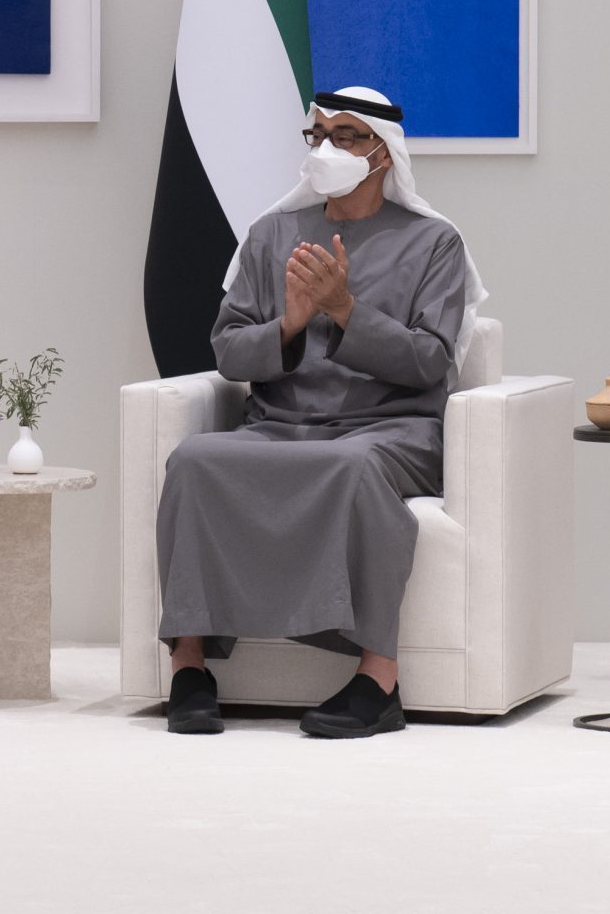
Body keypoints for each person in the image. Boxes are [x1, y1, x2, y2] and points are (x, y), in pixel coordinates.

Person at [155, 86, 488, 738]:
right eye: (317, 136)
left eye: (344, 135)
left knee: (350, 465)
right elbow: (228, 350)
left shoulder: (434, 243)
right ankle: (189, 667)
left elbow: (428, 363)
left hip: (389, 430)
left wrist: (344, 312)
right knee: (193, 460)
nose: (326, 149)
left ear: (381, 153)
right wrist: (290, 322)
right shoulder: (272, 234)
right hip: (279, 425)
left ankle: (378, 682)